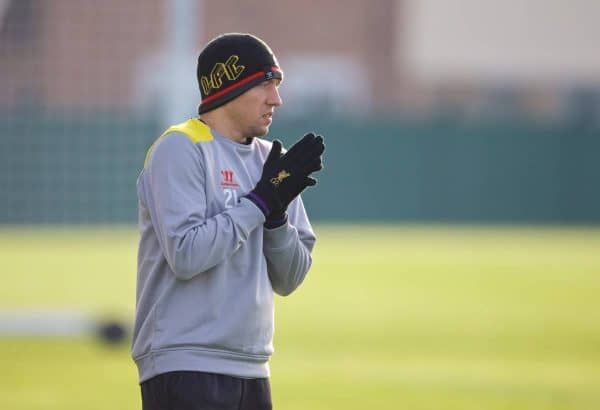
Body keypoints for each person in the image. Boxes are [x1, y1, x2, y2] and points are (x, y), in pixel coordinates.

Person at [131, 33, 325, 410]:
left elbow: (291, 278)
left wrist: (276, 217)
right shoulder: (179, 148)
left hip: (253, 367)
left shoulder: (272, 161)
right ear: (229, 87)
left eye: (277, 85)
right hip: (184, 365)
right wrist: (260, 201)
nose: (276, 99)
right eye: (266, 83)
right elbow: (186, 255)